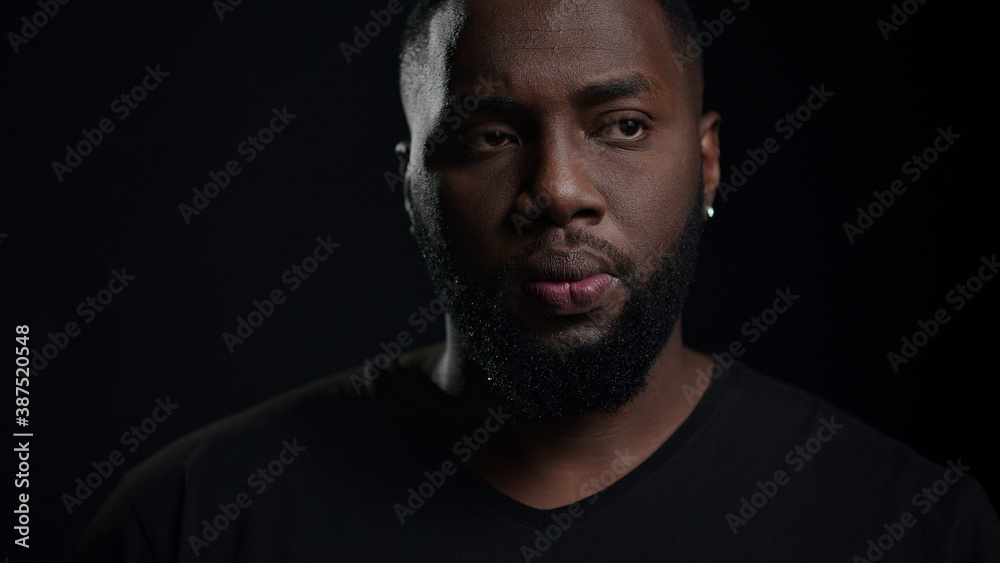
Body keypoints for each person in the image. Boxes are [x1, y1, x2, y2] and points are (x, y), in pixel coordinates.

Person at [75, 0, 1000, 560]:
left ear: (709, 162)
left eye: (624, 126)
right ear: (411, 185)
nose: (559, 192)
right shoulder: (192, 520)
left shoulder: (912, 528)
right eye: (491, 135)